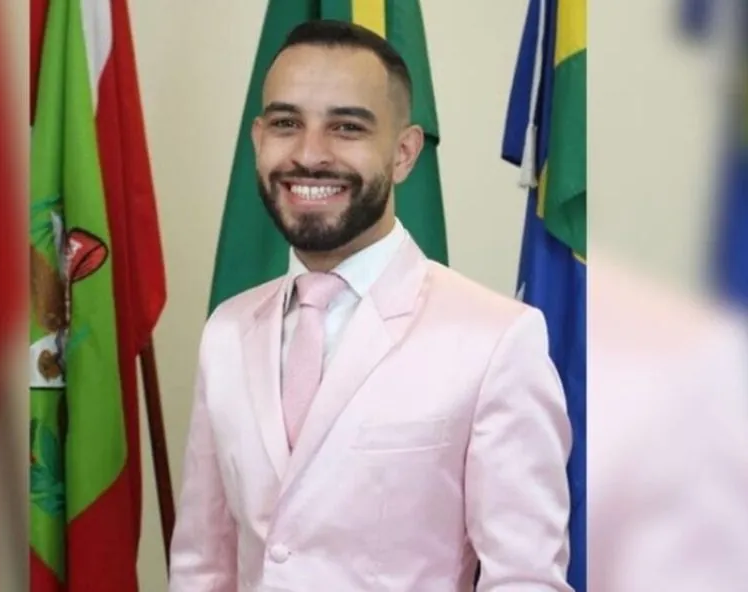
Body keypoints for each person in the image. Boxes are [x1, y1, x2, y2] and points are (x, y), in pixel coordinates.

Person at [169, 20, 573, 592]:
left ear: (404, 152)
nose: (309, 154)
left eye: (347, 127)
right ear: (258, 139)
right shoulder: (227, 331)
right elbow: (202, 565)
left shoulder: (497, 340)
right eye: (286, 123)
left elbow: (524, 579)